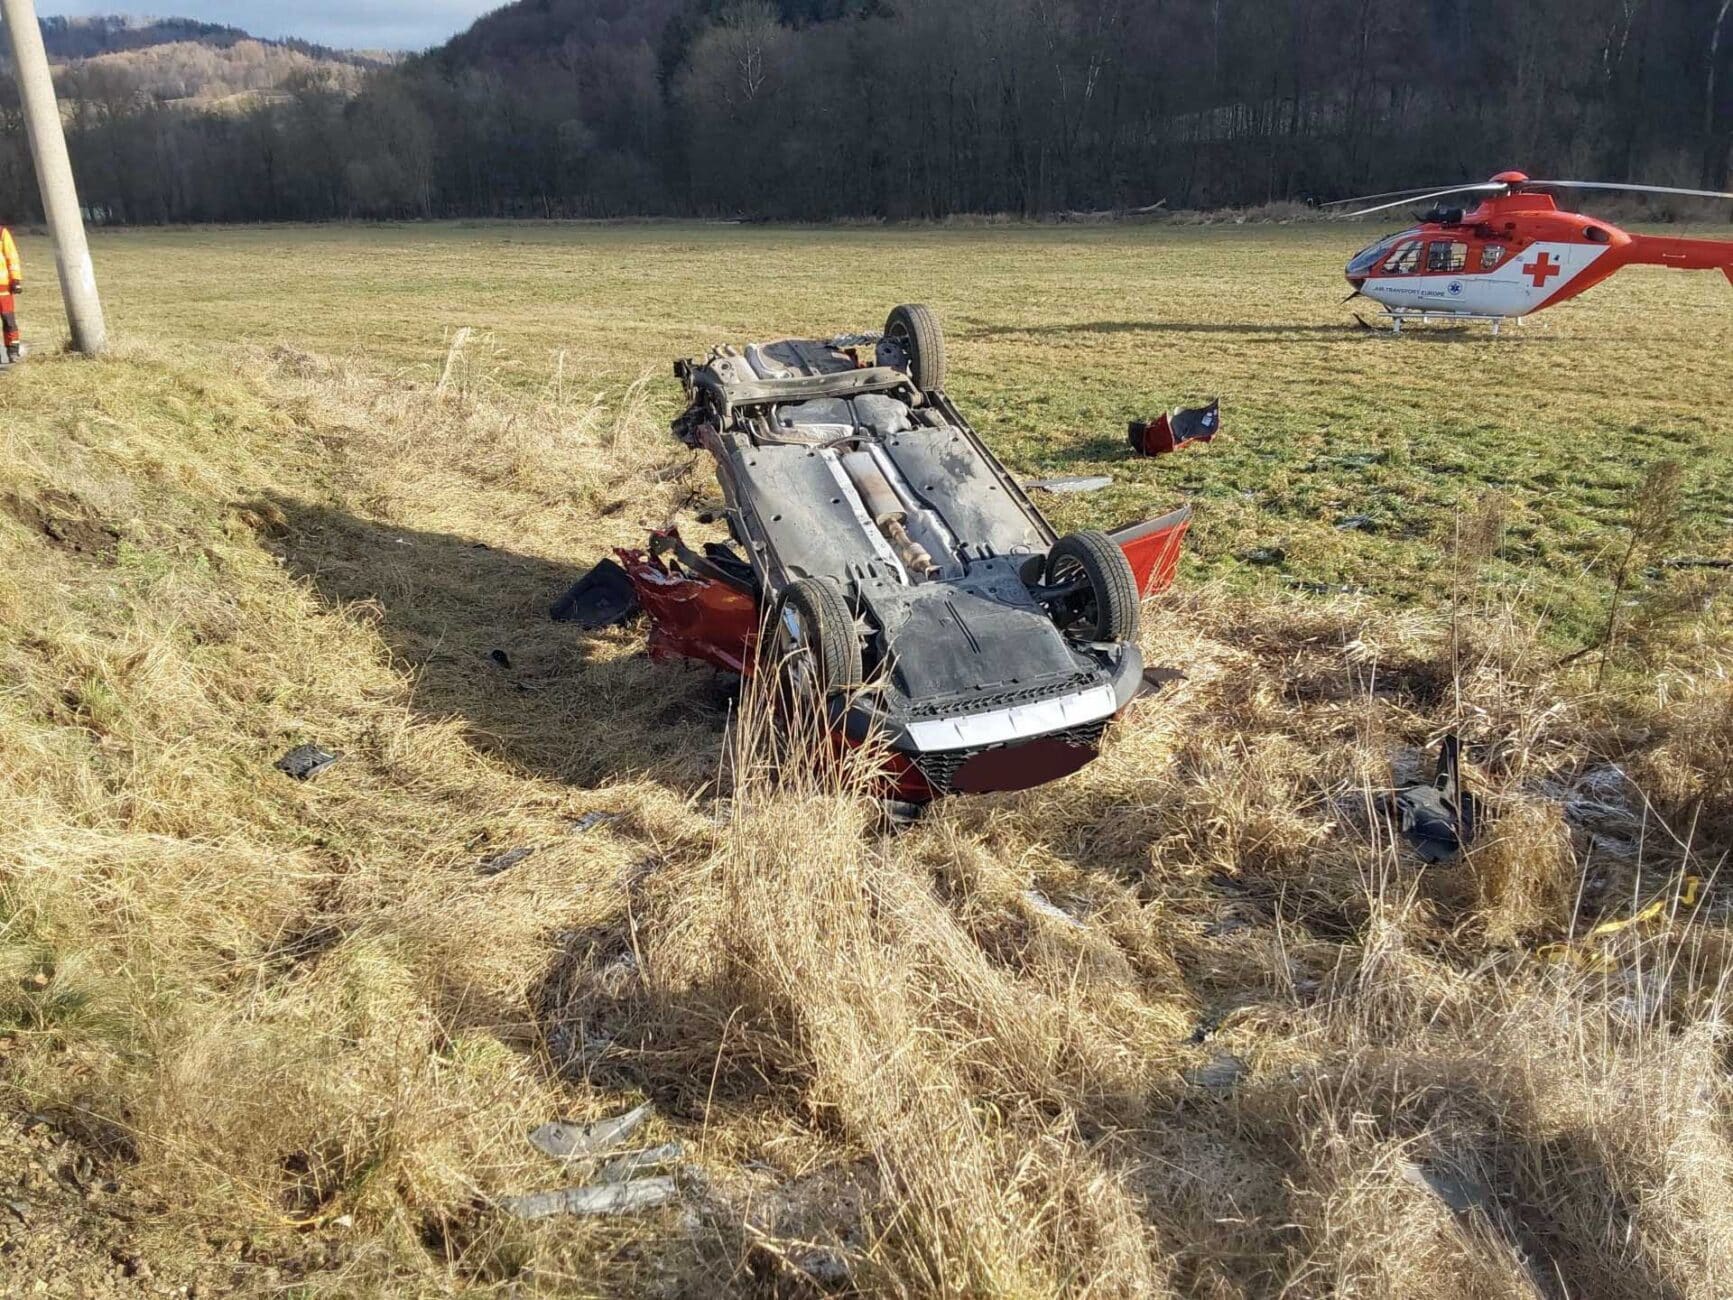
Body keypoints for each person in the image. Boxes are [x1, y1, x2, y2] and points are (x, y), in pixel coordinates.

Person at [1, 224, 22, 363]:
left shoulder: (2, 233)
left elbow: (12, 256)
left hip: (3, 287)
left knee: (9, 320)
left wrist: (16, 279)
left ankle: (13, 351)